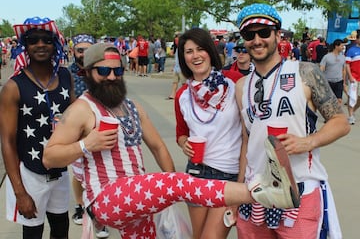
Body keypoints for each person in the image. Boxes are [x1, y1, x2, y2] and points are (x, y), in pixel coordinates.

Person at [42, 42, 300, 239]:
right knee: (176, 182)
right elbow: (49, 156)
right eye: (103, 71)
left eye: (117, 70)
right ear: (87, 72)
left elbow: (158, 147)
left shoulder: (131, 107)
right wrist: (87, 144)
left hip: (136, 198)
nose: (111, 77)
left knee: (170, 193)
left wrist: (167, 194)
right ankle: (262, 192)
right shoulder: (80, 109)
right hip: (106, 198)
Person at [235, 4, 350, 239]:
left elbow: (341, 121)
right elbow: (247, 142)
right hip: (254, 195)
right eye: (249, 35)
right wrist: (238, 192)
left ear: (278, 35)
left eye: (264, 33)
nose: (257, 40)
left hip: (299, 193)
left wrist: (308, 142)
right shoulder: (241, 86)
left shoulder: (305, 72)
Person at [0, 16, 75, 239]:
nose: (41, 44)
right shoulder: (13, 87)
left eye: (47, 39)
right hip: (30, 173)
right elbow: (7, 141)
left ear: (56, 44)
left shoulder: (64, 75)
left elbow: (75, 116)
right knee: (33, 232)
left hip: (59, 171)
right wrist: (20, 192)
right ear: (25, 46)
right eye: (33, 40)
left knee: (61, 229)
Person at [174, 27, 246, 238]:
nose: (195, 56)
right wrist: (184, 143)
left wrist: (242, 183)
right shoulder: (182, 95)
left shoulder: (234, 81)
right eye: (189, 51)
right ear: (183, 57)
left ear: (210, 51)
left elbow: (248, 132)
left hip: (228, 175)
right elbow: (181, 133)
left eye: (200, 49)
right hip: (196, 172)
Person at [67, 33, 110, 238]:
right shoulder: (68, 74)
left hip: (101, 127)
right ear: (73, 51)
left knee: (100, 171)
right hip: (77, 131)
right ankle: (79, 205)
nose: (83, 54)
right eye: (80, 49)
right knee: (78, 172)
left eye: (87, 49)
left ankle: (100, 214)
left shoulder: (104, 70)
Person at [320, 39, 346, 106]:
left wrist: (344, 82)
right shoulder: (327, 57)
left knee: (339, 100)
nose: (343, 48)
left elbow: (344, 70)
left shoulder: (343, 57)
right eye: (342, 46)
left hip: (339, 81)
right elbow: (321, 68)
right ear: (336, 46)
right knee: (329, 100)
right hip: (328, 82)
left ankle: (336, 114)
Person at [345, 31, 360, 125]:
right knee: (352, 96)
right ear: (357, 39)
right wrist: (350, 76)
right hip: (354, 77)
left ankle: (353, 110)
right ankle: (350, 116)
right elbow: (347, 65)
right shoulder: (351, 50)